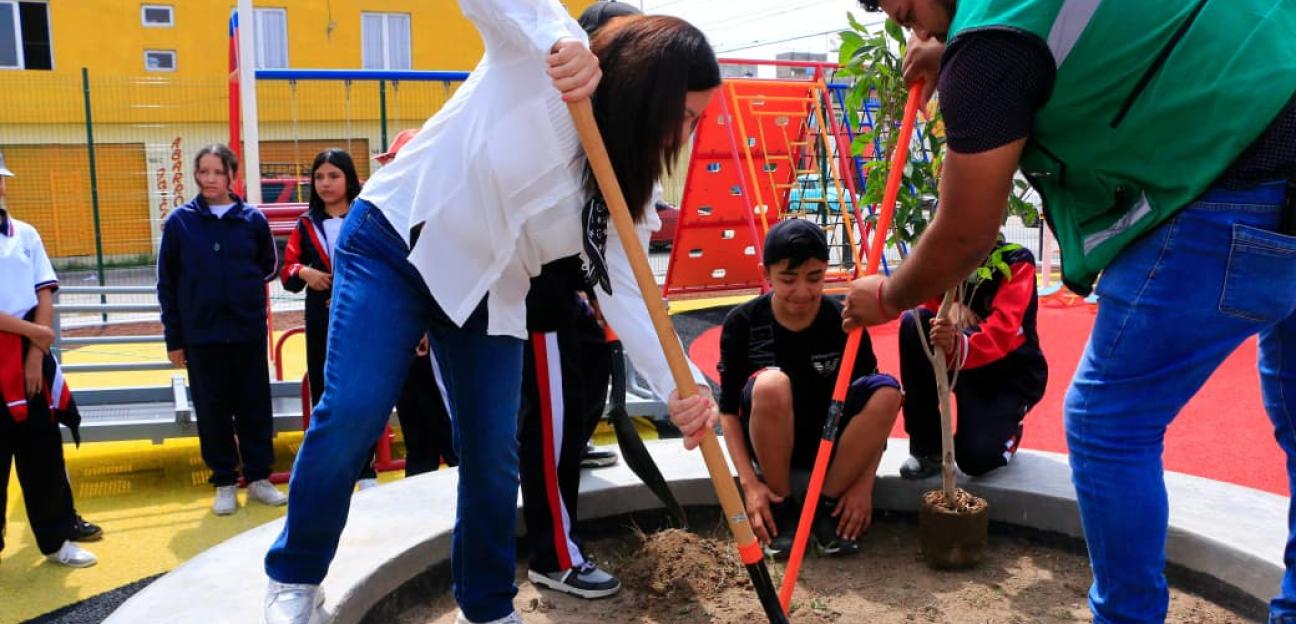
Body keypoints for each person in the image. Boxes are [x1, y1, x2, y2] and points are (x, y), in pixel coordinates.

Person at [261, 3, 722, 623]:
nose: (683, 137)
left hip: (492, 291)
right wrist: (556, 40)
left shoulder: (625, 186)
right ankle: (294, 580)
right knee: (354, 409)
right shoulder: (544, 58)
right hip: (398, 242)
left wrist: (677, 389)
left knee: (493, 452)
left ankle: (487, 606)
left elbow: (628, 290)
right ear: (652, 88)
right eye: (685, 116)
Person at [849, 1, 1296, 622]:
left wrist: (889, 296)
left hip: (1236, 170)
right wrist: (955, 52)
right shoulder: (995, 35)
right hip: (1276, 92)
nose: (915, 30)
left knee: (1107, 423)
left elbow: (964, 234)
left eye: (906, 11)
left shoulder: (990, 45)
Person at [515, 1, 708, 601]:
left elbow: (623, 270)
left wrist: (685, 381)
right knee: (545, 426)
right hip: (529, 297)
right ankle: (553, 553)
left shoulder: (631, 151)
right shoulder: (547, 115)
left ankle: (562, 514)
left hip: (576, 297)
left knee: (574, 414)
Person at [718, 219, 902, 558]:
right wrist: (749, 484)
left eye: (815, 278)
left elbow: (874, 405)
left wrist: (864, 485)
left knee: (889, 391)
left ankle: (824, 507)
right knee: (772, 383)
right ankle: (782, 506)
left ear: (826, 271)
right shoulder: (742, 323)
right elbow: (727, 413)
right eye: (788, 279)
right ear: (766, 274)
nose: (802, 292)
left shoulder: (846, 320)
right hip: (770, 443)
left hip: (830, 444)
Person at [280, 148, 454, 489]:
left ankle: (369, 469)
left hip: (371, 321)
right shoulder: (305, 225)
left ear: (350, 179)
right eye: (319, 177)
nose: (326, 184)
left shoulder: (370, 218)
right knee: (329, 395)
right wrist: (305, 273)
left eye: (334, 176)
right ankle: (344, 473)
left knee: (369, 393)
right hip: (323, 327)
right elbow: (286, 270)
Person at [157, 143, 287, 516]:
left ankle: (260, 477)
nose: (210, 179)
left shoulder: (252, 220)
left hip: (246, 332)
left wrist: (238, 290)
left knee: (254, 406)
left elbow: (268, 265)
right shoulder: (181, 223)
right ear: (196, 175)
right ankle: (225, 480)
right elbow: (168, 283)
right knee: (212, 410)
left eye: (218, 172)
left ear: (232, 176)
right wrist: (175, 338)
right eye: (203, 172)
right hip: (201, 336)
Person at [0, 149, 98, 568]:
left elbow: (44, 292)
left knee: (41, 450)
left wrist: (36, 352)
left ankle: (56, 539)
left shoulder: (24, 233)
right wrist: (35, 333)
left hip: (27, 354)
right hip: (17, 342)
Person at [897, 239, 1046, 479]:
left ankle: (1010, 429)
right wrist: (950, 307)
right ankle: (927, 449)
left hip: (1006, 373)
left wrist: (957, 340)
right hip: (962, 362)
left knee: (975, 458)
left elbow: (1005, 330)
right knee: (914, 323)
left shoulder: (1016, 261)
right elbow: (926, 301)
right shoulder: (941, 255)